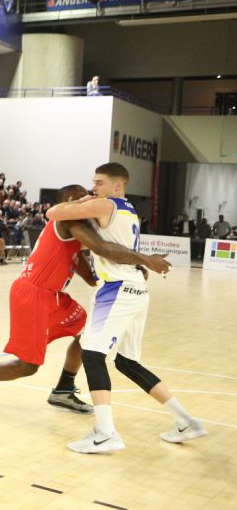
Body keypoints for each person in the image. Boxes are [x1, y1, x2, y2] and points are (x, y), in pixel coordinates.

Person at [0, 184, 171, 413]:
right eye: (83, 196)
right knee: (28, 366)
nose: (89, 198)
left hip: (54, 297)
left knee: (88, 336)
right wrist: (145, 261)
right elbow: (100, 248)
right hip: (31, 295)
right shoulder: (67, 220)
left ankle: (63, 389)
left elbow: (85, 267)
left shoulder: (74, 226)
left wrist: (115, 275)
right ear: (69, 200)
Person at [46, 163, 207, 454]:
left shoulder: (106, 205)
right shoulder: (129, 209)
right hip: (136, 289)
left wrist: (81, 201)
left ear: (118, 185)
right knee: (127, 363)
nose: (94, 188)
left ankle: (105, 433)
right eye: (93, 183)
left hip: (117, 288)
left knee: (93, 356)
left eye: (100, 183)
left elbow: (54, 213)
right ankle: (186, 421)